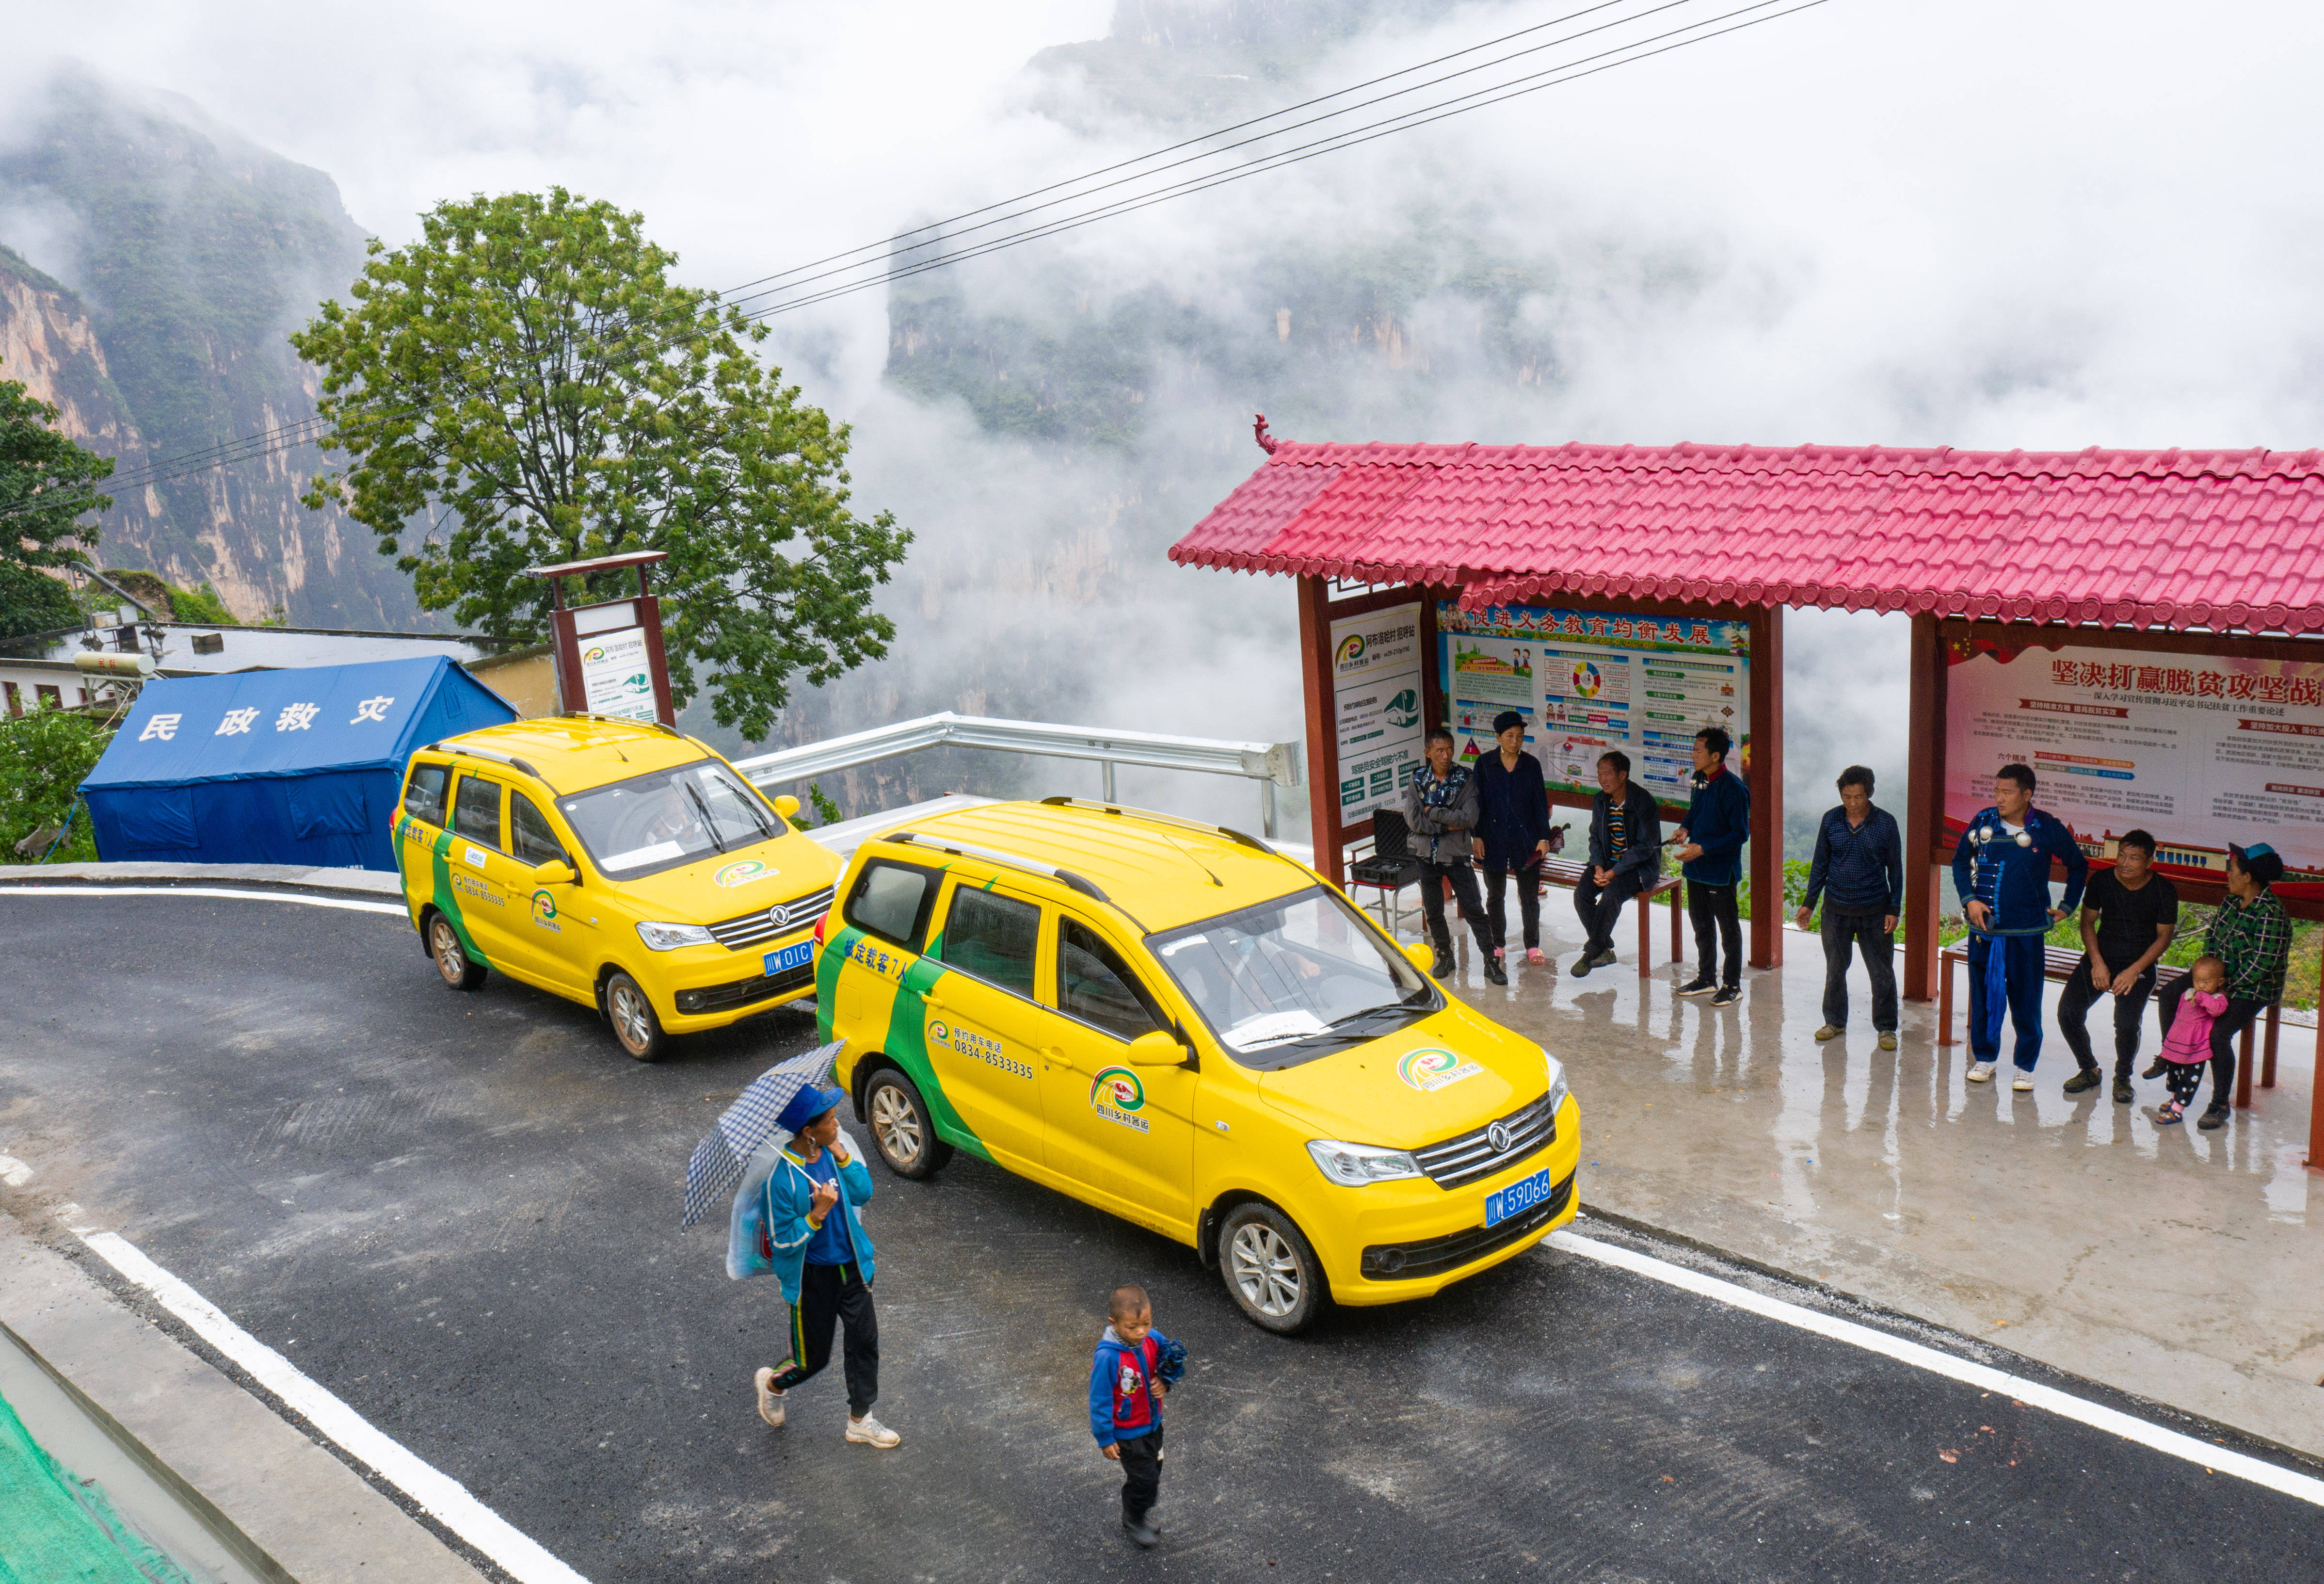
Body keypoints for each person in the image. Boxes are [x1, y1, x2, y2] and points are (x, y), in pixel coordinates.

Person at [752, 1085, 899, 1449]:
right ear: (808, 1131)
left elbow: (864, 1193)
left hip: (851, 1266)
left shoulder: (834, 1153)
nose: (837, 1124)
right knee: (811, 1361)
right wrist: (815, 1216)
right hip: (812, 1280)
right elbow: (781, 1241)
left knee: (864, 1342)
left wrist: (843, 1157)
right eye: (830, 1120)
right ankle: (772, 1384)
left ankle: (860, 1420)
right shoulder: (781, 1180)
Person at [1951, 764, 2087, 1090]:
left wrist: (2067, 908)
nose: (1998, 798)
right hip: (1984, 932)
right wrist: (1970, 900)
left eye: (2007, 792)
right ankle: (1984, 1058)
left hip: (2027, 933)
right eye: (1996, 791)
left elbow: (2078, 865)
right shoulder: (1982, 821)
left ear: (2027, 795)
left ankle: (2025, 1065)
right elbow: (1959, 862)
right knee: (1983, 995)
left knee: (2026, 999)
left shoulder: (2045, 827)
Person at [2150, 842, 2292, 1131]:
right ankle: (2172, 1057)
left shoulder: (2270, 913)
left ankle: (2219, 1103)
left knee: (2217, 1034)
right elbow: (2212, 940)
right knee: (2170, 996)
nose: (2228, 875)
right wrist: (2206, 977)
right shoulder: (2230, 902)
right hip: (2215, 977)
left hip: (2251, 987)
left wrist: (2222, 990)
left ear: (2248, 877)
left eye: (2233, 870)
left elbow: (2262, 964)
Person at [2056, 830, 2178, 1102]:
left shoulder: (2163, 890)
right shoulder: (2101, 880)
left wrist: (2134, 970)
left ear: (2150, 861)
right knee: (2068, 1013)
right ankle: (2089, 1069)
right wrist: (2097, 963)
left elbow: (2164, 938)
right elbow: (2087, 923)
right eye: (2122, 855)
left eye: (2134, 858)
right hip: (2101, 957)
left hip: (2139, 964)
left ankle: (2122, 1077)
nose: (2125, 863)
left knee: (2126, 1024)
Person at [1794, 765, 1904, 1050]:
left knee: (1881, 971)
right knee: (1835, 968)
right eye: (1847, 797)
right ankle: (1835, 1021)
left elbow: (1896, 870)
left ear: (1870, 793)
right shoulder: (1831, 820)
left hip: (1874, 909)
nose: (1853, 803)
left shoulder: (1886, 823)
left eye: (1858, 797)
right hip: (1836, 908)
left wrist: (1894, 909)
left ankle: (1886, 1028)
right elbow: (1820, 864)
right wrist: (1809, 904)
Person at [1402, 727, 1502, 985]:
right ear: (1427, 753)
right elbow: (1413, 820)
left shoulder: (1465, 779)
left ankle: (1491, 961)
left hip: (1456, 854)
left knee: (1474, 909)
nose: (1446, 756)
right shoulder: (1417, 779)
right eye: (1439, 751)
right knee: (1434, 910)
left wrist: (1433, 813)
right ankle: (1445, 955)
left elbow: (1469, 818)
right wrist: (1448, 825)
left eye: (1449, 749)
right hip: (1425, 854)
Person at [1090, 1283, 1183, 1549]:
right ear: (1114, 1323)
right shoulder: (1108, 1357)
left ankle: (1139, 1507)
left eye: (1146, 1323)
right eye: (1132, 1327)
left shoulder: (1152, 1338)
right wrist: (1105, 1438)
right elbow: (1100, 1398)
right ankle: (1133, 1517)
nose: (1141, 1331)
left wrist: (1165, 1380)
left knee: (1154, 1471)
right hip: (1128, 1433)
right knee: (1144, 1479)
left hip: (1153, 1425)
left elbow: (1173, 1357)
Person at [1671, 726, 1749, 1007]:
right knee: (1701, 925)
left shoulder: (1734, 789)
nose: (1693, 755)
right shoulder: (1700, 779)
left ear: (1716, 756)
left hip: (1719, 872)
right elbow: (1696, 809)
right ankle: (1707, 978)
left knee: (1729, 931)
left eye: (1698, 750)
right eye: (1693, 749)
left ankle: (1732, 984)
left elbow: (1740, 834)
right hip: (1696, 868)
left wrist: (1703, 848)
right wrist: (1685, 828)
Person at [1471, 711, 1551, 968]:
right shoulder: (1484, 764)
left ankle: (1533, 945)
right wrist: (1476, 837)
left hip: (1526, 838)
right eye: (1510, 736)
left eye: (1519, 736)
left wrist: (1543, 838)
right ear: (1498, 738)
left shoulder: (1531, 765)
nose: (1515, 741)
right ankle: (1498, 943)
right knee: (1495, 895)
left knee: (1529, 896)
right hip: (1492, 839)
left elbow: (1540, 804)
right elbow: (1477, 804)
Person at [1571, 749, 1662, 976]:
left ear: (1623, 775)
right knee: (1582, 894)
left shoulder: (1643, 801)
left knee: (1611, 894)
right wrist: (1599, 866)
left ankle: (1591, 951)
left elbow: (1645, 847)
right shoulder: (1601, 801)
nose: (1602, 779)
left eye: (1608, 774)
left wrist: (1615, 872)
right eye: (1600, 774)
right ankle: (1605, 948)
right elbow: (1595, 838)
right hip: (1608, 864)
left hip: (1639, 867)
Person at [2146, 956, 2228, 1126]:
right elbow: (2179, 1016)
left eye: (2206, 982)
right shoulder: (2187, 995)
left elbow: (2216, 1011)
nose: (2201, 986)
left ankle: (2177, 1110)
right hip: (2177, 1045)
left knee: (2189, 1079)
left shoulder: (2218, 999)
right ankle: (2174, 1099)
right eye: (2197, 981)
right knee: (2174, 1073)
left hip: (2196, 1049)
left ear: (2220, 982)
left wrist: (2203, 999)